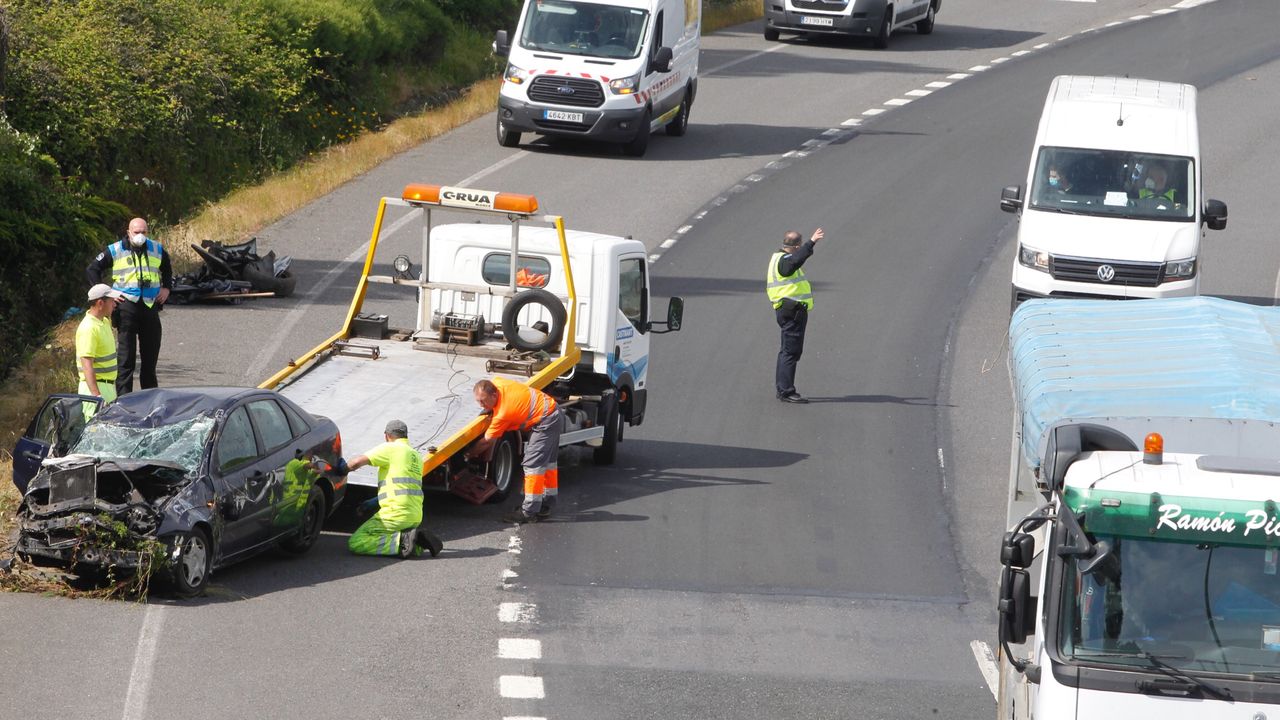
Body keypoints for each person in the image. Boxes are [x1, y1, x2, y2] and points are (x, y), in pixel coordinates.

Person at [85, 217, 173, 396]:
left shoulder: (156, 249)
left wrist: (167, 288)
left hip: (150, 306)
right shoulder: (116, 249)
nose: (140, 235)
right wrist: (106, 294)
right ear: (128, 232)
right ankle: (125, 402)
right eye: (136, 232)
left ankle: (149, 401)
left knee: (150, 362)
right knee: (126, 362)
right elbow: (92, 269)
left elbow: (167, 267)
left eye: (143, 232)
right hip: (126, 308)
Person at [339, 420, 443, 558]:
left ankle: (402, 541)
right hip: (415, 515)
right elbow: (400, 489)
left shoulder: (390, 448)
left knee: (357, 541)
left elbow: (356, 462)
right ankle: (416, 542)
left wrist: (341, 470)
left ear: (387, 436)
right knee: (397, 538)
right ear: (406, 436)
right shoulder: (416, 456)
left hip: (395, 514)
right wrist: (370, 503)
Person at [470, 378, 563, 523]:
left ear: (494, 395)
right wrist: (489, 407)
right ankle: (546, 504)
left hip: (546, 421)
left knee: (533, 466)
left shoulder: (503, 413)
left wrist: (469, 453)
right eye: (479, 402)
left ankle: (528, 512)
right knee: (548, 463)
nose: (481, 405)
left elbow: (486, 442)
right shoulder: (498, 383)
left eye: (484, 401)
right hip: (552, 410)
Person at [766, 228, 824, 403]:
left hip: (788, 310)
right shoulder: (784, 262)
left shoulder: (777, 257)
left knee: (788, 350)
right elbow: (794, 263)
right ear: (796, 247)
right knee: (790, 351)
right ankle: (786, 391)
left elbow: (794, 261)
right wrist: (811, 242)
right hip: (792, 311)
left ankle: (783, 388)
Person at [76, 284, 125, 405]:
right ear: (100, 303)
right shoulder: (89, 328)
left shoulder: (104, 321)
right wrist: (97, 396)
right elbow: (87, 366)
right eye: (111, 301)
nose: (114, 305)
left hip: (107, 387)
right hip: (95, 391)